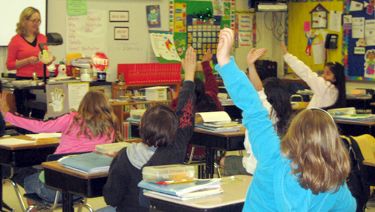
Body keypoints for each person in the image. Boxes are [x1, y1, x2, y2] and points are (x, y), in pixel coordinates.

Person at [216, 28, 355, 211]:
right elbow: (350, 208)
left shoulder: (272, 155)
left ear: (293, 134)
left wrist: (225, 63)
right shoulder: (335, 182)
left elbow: (253, 108)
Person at [101, 46, 197, 211]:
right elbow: (186, 112)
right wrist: (189, 75)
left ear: (141, 127)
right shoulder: (176, 148)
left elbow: (111, 198)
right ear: (174, 128)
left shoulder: (125, 156)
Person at [0, 90, 120, 203]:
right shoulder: (111, 126)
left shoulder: (72, 119)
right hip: (83, 189)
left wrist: (8, 116)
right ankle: (37, 206)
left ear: (83, 104)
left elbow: (40, 127)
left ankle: (37, 205)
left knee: (17, 170)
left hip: (54, 188)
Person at [221, 48, 293, 176]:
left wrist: (250, 65)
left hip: (254, 169)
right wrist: (250, 65)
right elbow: (259, 91)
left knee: (224, 161)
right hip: (277, 169)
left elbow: (258, 90)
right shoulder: (286, 115)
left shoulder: (264, 111)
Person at [6, 7, 54, 117]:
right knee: (23, 117)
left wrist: (50, 60)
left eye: (39, 21)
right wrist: (27, 61)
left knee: (40, 115)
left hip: (42, 82)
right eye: (33, 20)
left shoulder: (42, 38)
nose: (37, 23)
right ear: (24, 21)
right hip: (24, 84)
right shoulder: (16, 40)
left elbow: (45, 59)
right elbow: (9, 65)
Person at [281, 43, 346, 109]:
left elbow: (305, 71)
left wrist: (287, 55)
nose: (323, 76)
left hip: (313, 117)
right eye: (324, 72)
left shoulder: (325, 86)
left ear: (335, 78)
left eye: (328, 74)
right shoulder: (337, 91)